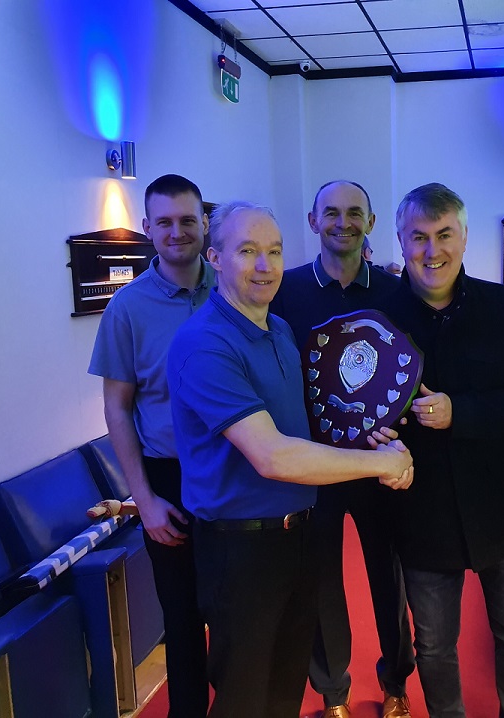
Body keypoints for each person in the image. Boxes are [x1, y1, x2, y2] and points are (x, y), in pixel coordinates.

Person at [167, 201, 414, 718]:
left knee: (283, 689)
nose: (265, 265)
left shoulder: (278, 330)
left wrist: (377, 434)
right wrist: (383, 464)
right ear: (215, 257)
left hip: (298, 536)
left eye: (274, 252)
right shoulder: (204, 344)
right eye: (248, 251)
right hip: (241, 551)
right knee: (244, 696)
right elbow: (273, 456)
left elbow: (314, 424)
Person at [377, 183, 504, 718]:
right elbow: (360, 412)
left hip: (501, 507)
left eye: (443, 235)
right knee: (433, 646)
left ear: (463, 236)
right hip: (421, 513)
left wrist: (465, 412)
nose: (432, 251)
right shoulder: (380, 317)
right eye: (419, 238)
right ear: (401, 239)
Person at [270, 180, 415, 718]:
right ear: (312, 221)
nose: (343, 222)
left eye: (355, 213)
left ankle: (397, 683)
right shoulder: (284, 292)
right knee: (321, 580)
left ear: (370, 223)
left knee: (389, 577)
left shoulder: (396, 291)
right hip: (316, 463)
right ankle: (334, 694)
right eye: (331, 212)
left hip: (380, 460)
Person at [88, 173, 212, 718]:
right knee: (182, 622)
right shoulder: (127, 309)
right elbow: (117, 409)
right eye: (165, 221)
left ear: (205, 223)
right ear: (147, 228)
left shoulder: (233, 287)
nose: (177, 231)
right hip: (168, 481)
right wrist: (143, 499)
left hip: (236, 472)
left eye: (188, 220)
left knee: (236, 613)